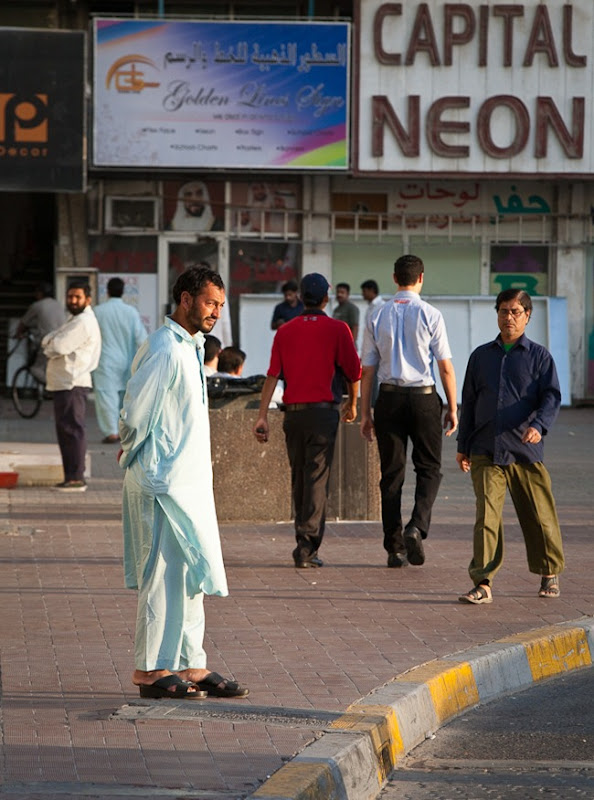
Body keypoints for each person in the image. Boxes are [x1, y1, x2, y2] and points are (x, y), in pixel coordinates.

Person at [118, 265, 248, 700]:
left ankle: (192, 665)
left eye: (220, 306)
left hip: (188, 482)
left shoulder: (190, 348)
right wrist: (133, 453)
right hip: (162, 482)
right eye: (210, 303)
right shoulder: (165, 348)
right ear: (186, 299)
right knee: (162, 575)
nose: (215, 313)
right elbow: (136, 414)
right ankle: (151, 670)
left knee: (193, 572)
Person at [456, 289, 565, 604]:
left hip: (524, 450)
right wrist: (463, 446)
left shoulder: (539, 357)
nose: (509, 318)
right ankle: (483, 581)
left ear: (527, 315)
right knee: (487, 517)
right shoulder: (481, 356)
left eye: (516, 311)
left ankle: (549, 572)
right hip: (485, 450)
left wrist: (538, 426)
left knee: (539, 514)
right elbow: (471, 401)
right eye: (503, 311)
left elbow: (551, 397)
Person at [253, 273, 361, 568]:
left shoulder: (285, 331)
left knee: (299, 476)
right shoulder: (339, 329)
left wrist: (262, 416)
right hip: (323, 413)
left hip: (293, 415)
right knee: (316, 477)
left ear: (301, 298)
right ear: (326, 298)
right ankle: (306, 546)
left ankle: (302, 536)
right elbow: (354, 371)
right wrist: (352, 403)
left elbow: (272, 375)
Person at [360, 254, 458, 568]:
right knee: (429, 468)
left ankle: (394, 547)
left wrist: (365, 413)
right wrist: (453, 407)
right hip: (425, 398)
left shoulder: (377, 314)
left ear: (394, 278)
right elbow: (445, 367)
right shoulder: (431, 314)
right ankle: (417, 526)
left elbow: (367, 370)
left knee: (391, 475)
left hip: (388, 398)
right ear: (421, 278)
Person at [42, 280, 102, 492]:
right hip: (66, 382)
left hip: (72, 382)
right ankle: (71, 477)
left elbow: (57, 344)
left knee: (72, 431)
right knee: (66, 430)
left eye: (77, 297)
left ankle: (76, 478)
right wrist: (50, 342)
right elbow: (50, 340)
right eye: (70, 296)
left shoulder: (83, 322)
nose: (73, 300)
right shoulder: (75, 319)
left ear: (88, 299)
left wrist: (49, 344)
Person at [92, 278, 147, 444]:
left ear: (106, 291)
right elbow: (141, 338)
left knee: (106, 396)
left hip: (105, 361)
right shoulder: (131, 312)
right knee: (124, 397)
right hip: (126, 360)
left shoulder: (98, 311)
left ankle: (111, 432)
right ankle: (124, 430)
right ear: (123, 291)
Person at [16, 281, 66, 382]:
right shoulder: (58, 304)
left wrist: (18, 334)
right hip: (63, 342)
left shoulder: (37, 305)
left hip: (48, 342)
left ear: (41, 293)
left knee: (35, 369)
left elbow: (23, 322)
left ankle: (53, 387)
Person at [360, 279, 385, 405]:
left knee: (375, 379)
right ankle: (370, 405)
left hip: (378, 350)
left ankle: (374, 406)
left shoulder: (381, 307)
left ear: (371, 291)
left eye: (365, 291)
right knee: (370, 379)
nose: (363, 294)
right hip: (371, 349)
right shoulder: (371, 307)